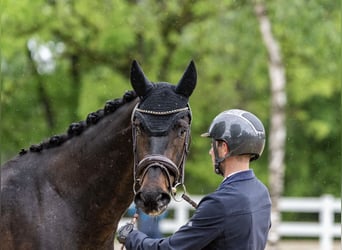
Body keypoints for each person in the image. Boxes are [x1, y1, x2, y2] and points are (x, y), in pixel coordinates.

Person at [118, 109, 272, 250]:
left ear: (224, 149)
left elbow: (170, 249)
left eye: (213, 146)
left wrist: (131, 237)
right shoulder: (261, 193)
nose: (211, 152)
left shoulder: (219, 204)